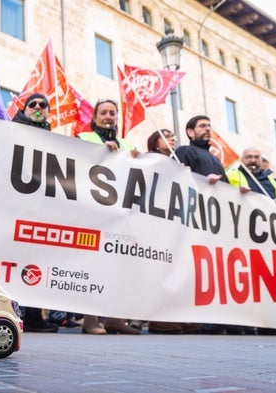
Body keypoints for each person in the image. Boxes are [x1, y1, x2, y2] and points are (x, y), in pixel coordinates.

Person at [175, 116, 247, 335]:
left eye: (209, 126)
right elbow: (178, 178)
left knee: (214, 270)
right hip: (193, 219)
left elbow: (224, 186)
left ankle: (221, 318)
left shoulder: (215, 159)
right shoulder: (183, 152)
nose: (208, 130)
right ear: (190, 132)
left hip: (215, 222)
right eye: (202, 126)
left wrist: (237, 191)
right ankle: (200, 319)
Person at [77, 99, 140, 335]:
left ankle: (115, 319)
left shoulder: (127, 143)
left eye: (112, 113)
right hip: (92, 209)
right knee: (92, 263)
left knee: (119, 264)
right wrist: (102, 153)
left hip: (119, 211)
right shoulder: (84, 139)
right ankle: (90, 320)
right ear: (94, 118)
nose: (108, 117)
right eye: (103, 113)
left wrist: (137, 158)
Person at [143, 129, 202, 334]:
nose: (172, 138)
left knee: (175, 267)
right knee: (158, 268)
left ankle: (175, 313)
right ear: (154, 141)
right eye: (166, 135)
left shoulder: (177, 165)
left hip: (173, 223)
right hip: (154, 221)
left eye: (172, 136)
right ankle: (159, 317)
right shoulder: (147, 160)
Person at [11, 93, 58, 333]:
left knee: (36, 259)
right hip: (15, 202)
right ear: (24, 108)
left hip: (40, 204)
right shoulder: (12, 129)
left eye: (43, 105)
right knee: (12, 257)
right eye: (33, 104)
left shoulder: (53, 137)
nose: (38, 107)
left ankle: (32, 315)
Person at [226, 147, 276, 335]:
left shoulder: (272, 179)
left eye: (257, 157)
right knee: (245, 279)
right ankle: (245, 322)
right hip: (242, 235)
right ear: (242, 159)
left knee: (268, 282)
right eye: (249, 157)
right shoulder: (232, 174)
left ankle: (270, 323)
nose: (253, 160)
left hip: (269, 238)